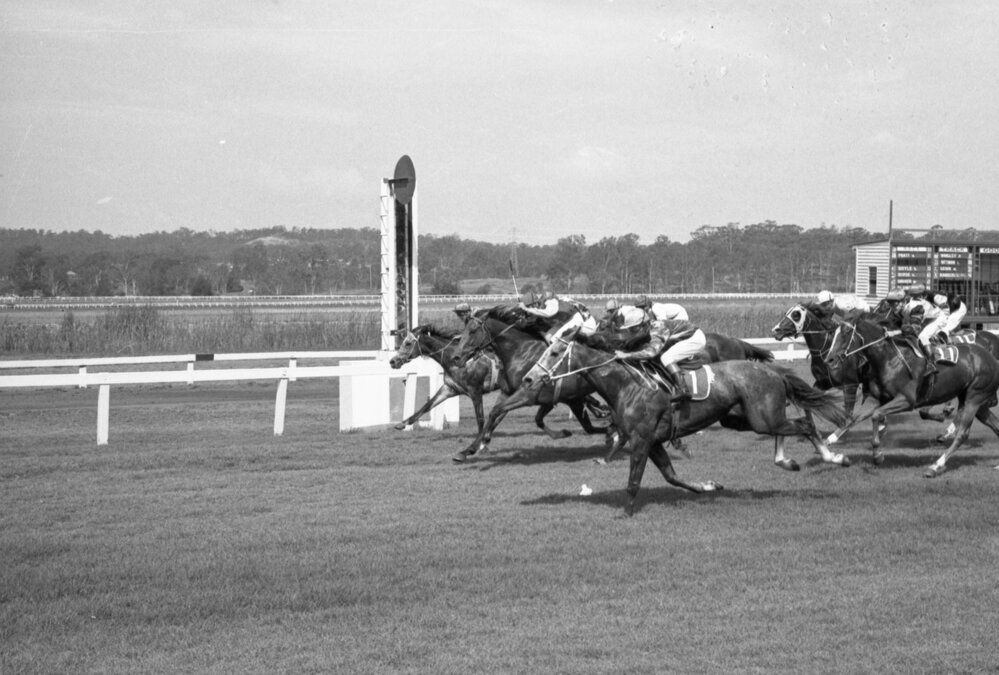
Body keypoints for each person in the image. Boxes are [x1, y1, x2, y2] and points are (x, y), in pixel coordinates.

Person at [612, 318, 707, 401]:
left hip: (694, 339)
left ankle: (683, 390)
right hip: (684, 335)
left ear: (643, 324)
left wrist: (626, 355)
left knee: (666, 358)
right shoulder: (648, 326)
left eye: (633, 328)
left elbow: (651, 353)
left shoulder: (657, 330)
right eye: (630, 328)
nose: (631, 330)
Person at [902, 283, 949, 376]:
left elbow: (915, 327)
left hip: (938, 319)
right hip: (928, 319)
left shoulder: (917, 306)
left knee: (923, 336)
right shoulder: (911, 304)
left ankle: (931, 364)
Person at [518, 289, 597, 342]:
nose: (528, 312)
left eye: (528, 307)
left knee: (554, 341)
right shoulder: (540, 307)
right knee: (547, 338)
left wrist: (526, 308)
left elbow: (548, 313)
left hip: (585, 323)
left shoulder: (550, 301)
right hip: (569, 319)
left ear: (534, 304)